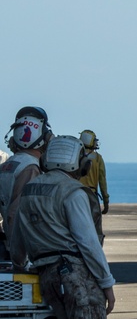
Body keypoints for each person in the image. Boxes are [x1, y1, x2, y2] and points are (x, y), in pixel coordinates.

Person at [15, 135, 116, 318]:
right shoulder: (72, 192)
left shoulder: (28, 190)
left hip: (46, 276)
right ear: (80, 163)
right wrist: (106, 283)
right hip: (74, 275)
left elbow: (17, 240)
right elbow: (88, 243)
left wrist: (20, 265)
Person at [0, 106, 53, 270]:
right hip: (23, 254)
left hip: (8, 246)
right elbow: (15, 215)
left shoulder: (9, 164)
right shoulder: (30, 168)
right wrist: (20, 261)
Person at [79, 130, 109, 244]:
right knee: (96, 229)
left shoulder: (76, 156)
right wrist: (106, 202)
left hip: (75, 193)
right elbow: (102, 181)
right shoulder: (97, 158)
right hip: (91, 195)